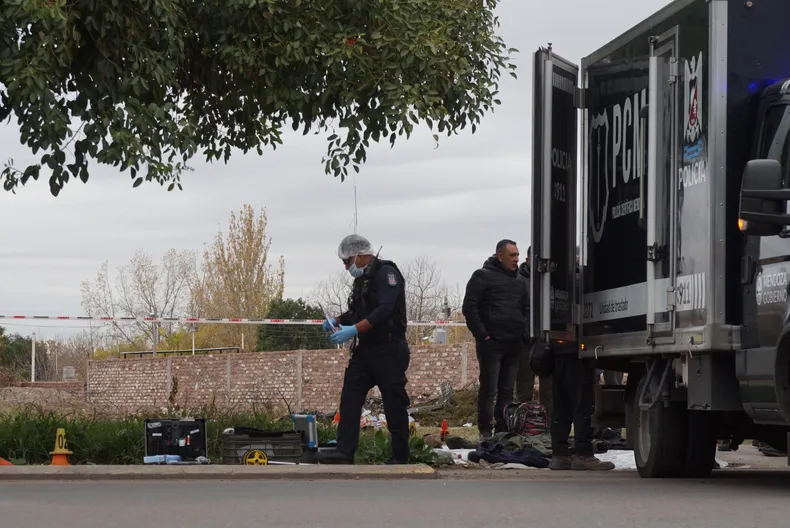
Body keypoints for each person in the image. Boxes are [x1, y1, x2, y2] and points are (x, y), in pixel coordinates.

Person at [316, 234, 411, 465]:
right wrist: (337, 320)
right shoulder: (362, 281)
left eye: (347, 262)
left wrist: (354, 330)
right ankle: (344, 451)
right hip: (366, 350)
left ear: (359, 256)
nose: (346, 267)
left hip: (389, 349)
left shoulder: (386, 274)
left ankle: (400, 456)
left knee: (393, 402)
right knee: (350, 397)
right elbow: (358, 312)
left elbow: (384, 310)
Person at [462, 239, 529, 440]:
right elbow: (470, 308)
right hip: (491, 344)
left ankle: (502, 430)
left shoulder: (519, 281)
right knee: (489, 389)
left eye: (517, 255)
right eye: (512, 255)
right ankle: (484, 431)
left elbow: (526, 307)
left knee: (507, 391)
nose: (516, 259)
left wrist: (523, 331)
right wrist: (483, 335)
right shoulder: (482, 277)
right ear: (500, 256)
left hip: (514, 343)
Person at [515, 246, 553, 417]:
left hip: (548, 341)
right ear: (528, 260)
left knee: (549, 389)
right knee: (524, 388)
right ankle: (524, 424)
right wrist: (523, 333)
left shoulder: (551, 280)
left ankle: (548, 425)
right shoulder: (518, 281)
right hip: (525, 341)